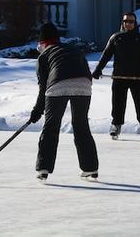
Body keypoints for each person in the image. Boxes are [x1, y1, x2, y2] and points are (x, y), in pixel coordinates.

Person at [29, 22, 99, 182]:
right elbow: (85, 69)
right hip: (84, 83)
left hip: (59, 83)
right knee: (81, 124)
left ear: (42, 42)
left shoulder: (43, 56)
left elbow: (43, 88)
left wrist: (37, 111)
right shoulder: (73, 49)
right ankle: (91, 168)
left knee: (51, 126)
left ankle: (43, 168)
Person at [92, 11, 140, 139]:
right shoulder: (116, 38)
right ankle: (116, 125)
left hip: (137, 77)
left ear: (135, 24)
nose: (128, 24)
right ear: (122, 23)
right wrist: (98, 70)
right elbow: (106, 56)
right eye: (126, 21)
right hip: (119, 77)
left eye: (131, 22)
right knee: (118, 103)